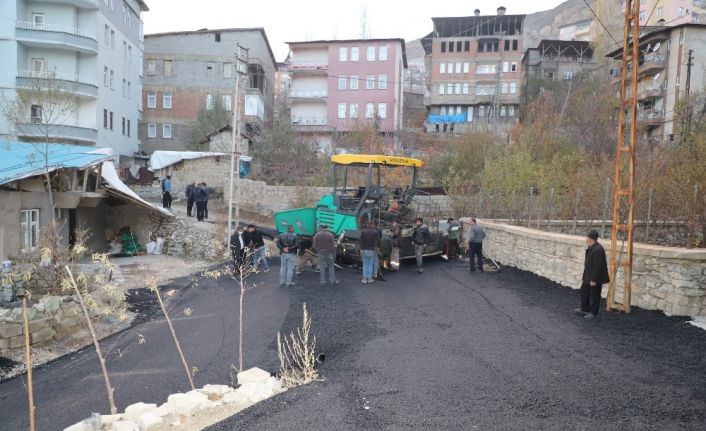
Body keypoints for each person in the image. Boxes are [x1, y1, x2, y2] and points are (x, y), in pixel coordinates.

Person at [576, 230, 610, 320]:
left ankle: (593, 312)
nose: (586, 238)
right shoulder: (592, 247)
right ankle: (584, 309)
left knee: (595, 295)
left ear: (591, 238)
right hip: (588, 276)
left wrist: (594, 279)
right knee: (584, 291)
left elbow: (598, 266)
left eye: (587, 237)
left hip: (595, 278)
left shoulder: (598, 250)